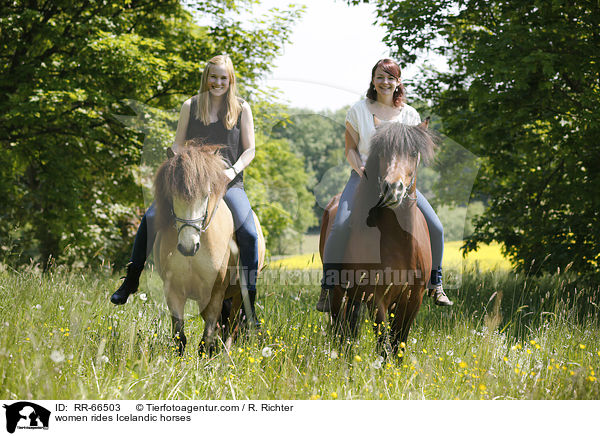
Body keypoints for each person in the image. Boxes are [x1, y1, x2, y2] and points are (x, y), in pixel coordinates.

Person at [111, 55, 261, 327]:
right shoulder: (190, 105)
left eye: (223, 78)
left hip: (227, 181)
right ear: (206, 77)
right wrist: (180, 163)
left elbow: (249, 149)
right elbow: (178, 144)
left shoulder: (241, 108)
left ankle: (249, 305)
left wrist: (232, 171)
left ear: (231, 80)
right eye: (213, 76)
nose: (218, 82)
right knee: (151, 216)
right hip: (191, 181)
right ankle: (131, 280)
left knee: (249, 232)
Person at [316, 58, 453, 312]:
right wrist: (362, 170)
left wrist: (406, 175)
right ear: (373, 80)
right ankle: (328, 285)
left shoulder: (410, 114)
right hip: (365, 178)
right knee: (342, 222)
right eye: (380, 77)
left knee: (436, 226)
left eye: (391, 77)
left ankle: (436, 283)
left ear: (398, 82)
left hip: (400, 181)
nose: (385, 82)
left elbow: (416, 153)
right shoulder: (358, 110)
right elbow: (350, 149)